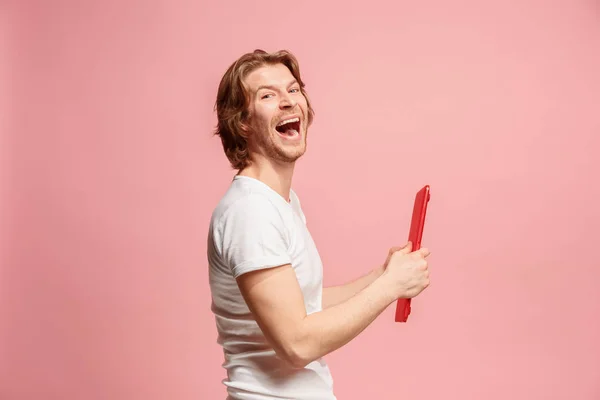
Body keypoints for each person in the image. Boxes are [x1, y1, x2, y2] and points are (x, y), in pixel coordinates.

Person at [207, 49, 431, 400]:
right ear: (242, 122)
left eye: (293, 90)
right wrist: (389, 286)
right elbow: (297, 343)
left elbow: (304, 305)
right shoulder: (251, 212)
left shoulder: (279, 202)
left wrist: (384, 275)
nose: (287, 101)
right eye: (267, 95)